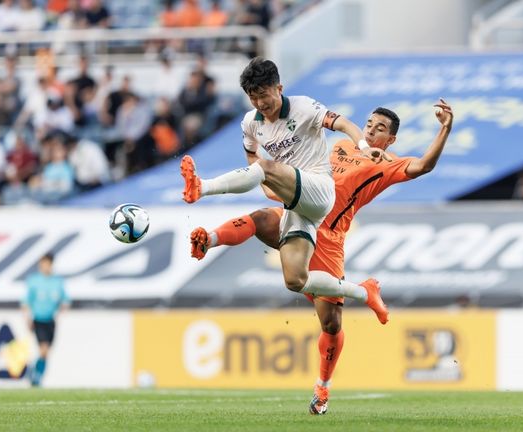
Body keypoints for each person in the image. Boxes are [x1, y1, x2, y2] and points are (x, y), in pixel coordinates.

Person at [189, 102, 453, 414]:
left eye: (379, 128)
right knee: (261, 218)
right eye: (369, 122)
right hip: (300, 214)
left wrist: (445, 128)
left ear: (390, 140)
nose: (369, 129)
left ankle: (323, 388)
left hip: (329, 238)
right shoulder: (341, 144)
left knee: (330, 324)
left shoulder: (386, 163)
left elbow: (423, 166)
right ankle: (210, 238)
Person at [181, 57, 390, 326]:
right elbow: (252, 156)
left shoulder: (304, 107)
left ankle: (202, 187)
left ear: (278, 88)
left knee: (267, 168)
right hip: (297, 205)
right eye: (253, 97)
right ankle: (365, 292)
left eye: (264, 95)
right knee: (295, 280)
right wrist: (268, 183)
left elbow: (344, 125)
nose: (260, 104)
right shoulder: (250, 123)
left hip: (319, 190)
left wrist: (362, 147)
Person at [20, 253, 70, 386]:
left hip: (50, 321)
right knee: (44, 349)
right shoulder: (34, 281)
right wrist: (27, 319)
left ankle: (35, 373)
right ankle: (37, 379)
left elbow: (65, 300)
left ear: (51, 264)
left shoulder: (57, 281)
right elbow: (26, 302)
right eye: (43, 263)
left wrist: (62, 309)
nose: (45, 266)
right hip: (38, 320)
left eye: (47, 263)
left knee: (46, 353)